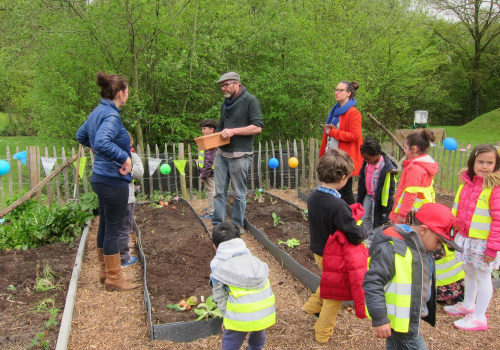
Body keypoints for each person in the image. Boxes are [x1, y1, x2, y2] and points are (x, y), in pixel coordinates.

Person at [363, 203, 463, 349]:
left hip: (406, 318)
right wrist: (380, 318)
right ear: (424, 230)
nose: (439, 247)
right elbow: (373, 283)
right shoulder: (394, 249)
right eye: (439, 242)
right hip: (401, 323)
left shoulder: (420, 247)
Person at [76, 72, 137, 291]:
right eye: (127, 91)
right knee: (113, 228)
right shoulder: (112, 116)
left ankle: (105, 271)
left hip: (100, 178)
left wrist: (97, 147)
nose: (128, 95)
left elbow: (81, 135)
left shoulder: (97, 112)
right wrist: (124, 158)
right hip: (113, 179)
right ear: (120, 93)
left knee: (105, 225)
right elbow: (101, 141)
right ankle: (114, 277)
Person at [301, 148, 367, 343]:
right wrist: (361, 231)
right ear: (343, 178)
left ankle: (311, 307)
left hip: (318, 250)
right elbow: (353, 234)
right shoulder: (338, 205)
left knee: (329, 282)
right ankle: (322, 333)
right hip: (334, 256)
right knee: (335, 296)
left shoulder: (314, 196)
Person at [443, 144, 500, 331]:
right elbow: (457, 210)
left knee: (483, 276)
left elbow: (498, 220)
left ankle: (479, 317)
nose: (485, 166)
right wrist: (452, 232)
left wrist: (493, 247)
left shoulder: (495, 188)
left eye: (490, 163)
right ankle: (468, 305)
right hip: (467, 239)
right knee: (468, 271)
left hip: (483, 242)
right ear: (472, 163)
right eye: (481, 162)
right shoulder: (466, 184)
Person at [210, 222, 276, 350]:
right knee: (257, 329)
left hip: (241, 313)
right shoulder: (253, 260)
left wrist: (227, 318)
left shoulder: (218, 267)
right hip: (265, 311)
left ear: (215, 247)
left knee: (232, 338)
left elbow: (220, 296)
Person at [212, 72, 264, 232]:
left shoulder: (250, 101)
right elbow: (221, 128)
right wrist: (210, 140)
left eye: (226, 85)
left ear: (237, 84)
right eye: (222, 86)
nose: (223, 88)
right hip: (222, 154)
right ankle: (218, 224)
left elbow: (257, 127)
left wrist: (233, 131)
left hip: (240, 155)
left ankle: (237, 224)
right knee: (219, 191)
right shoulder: (225, 104)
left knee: (238, 193)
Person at [318, 202, 368, 344]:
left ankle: (311, 308)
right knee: (332, 304)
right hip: (339, 276)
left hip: (331, 269)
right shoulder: (349, 238)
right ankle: (322, 336)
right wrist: (361, 308)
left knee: (326, 293)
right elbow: (357, 274)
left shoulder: (317, 199)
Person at [319, 81, 363, 205]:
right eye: (336, 89)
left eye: (340, 90)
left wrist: (333, 132)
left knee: (345, 193)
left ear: (349, 93)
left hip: (344, 160)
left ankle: (351, 219)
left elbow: (355, 136)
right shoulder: (335, 112)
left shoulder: (353, 113)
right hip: (333, 157)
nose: (336, 92)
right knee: (333, 192)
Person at [389, 129, 438, 224]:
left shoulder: (415, 169)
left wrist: (402, 214)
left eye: (405, 147)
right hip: (419, 211)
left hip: (411, 214)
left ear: (414, 149)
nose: (404, 150)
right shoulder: (425, 165)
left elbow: (411, 193)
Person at [357, 139, 400, 236]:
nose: (365, 160)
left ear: (376, 155)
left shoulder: (385, 166)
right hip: (368, 194)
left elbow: (391, 187)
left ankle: (375, 237)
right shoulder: (367, 163)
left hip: (379, 197)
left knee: (376, 218)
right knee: (364, 215)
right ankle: (367, 235)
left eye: (368, 158)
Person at [118, 131, 144, 268]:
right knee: (125, 228)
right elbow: (140, 173)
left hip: (110, 197)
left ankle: (112, 256)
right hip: (126, 198)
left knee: (114, 227)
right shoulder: (132, 156)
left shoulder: (108, 156)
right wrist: (130, 167)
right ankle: (123, 259)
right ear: (131, 142)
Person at [198, 119, 218, 220]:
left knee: (211, 192)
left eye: (204, 129)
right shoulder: (208, 140)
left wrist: (204, 176)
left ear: (211, 130)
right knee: (210, 191)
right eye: (202, 129)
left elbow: (209, 161)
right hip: (208, 171)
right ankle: (211, 208)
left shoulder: (211, 142)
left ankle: (211, 213)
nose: (202, 131)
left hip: (209, 172)